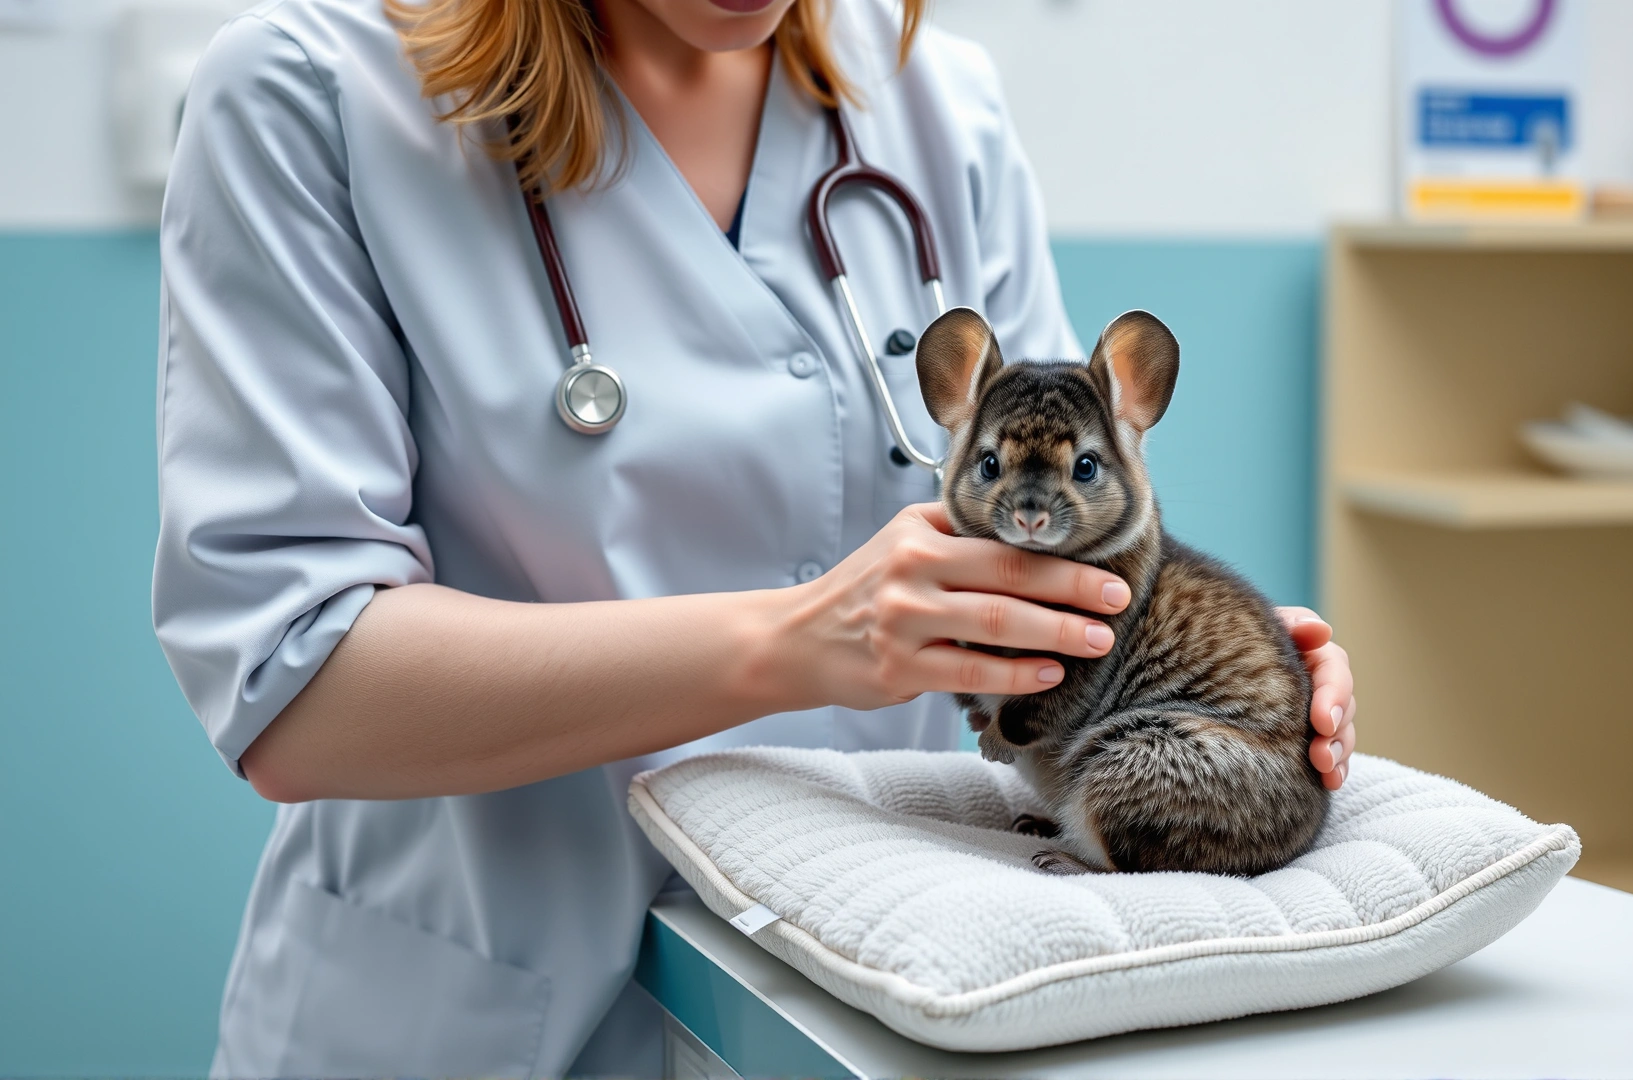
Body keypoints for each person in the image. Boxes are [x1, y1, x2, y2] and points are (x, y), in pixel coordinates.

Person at [152, 0, 1361, 1073]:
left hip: (873, 1007)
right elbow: (295, 691)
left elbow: (1052, 543)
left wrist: (1212, 675)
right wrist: (800, 640)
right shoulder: (307, 94)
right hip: (472, 1015)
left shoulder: (942, 107)